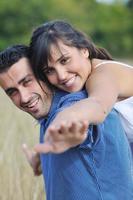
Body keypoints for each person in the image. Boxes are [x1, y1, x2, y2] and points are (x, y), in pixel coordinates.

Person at [0, 45, 133, 200]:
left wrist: (77, 132)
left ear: (43, 73)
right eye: (12, 92)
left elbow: (81, 123)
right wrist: (43, 159)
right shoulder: (47, 116)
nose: (24, 97)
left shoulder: (77, 105)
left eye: (27, 81)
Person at [29, 20, 133, 151]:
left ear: (84, 50)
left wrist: (66, 115)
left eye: (64, 60)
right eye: (49, 70)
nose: (61, 75)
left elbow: (98, 104)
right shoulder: (83, 81)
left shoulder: (104, 74)